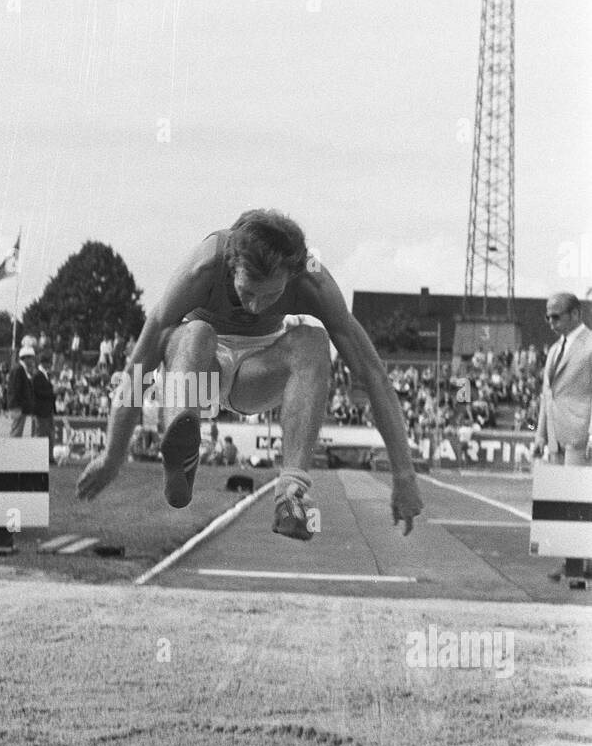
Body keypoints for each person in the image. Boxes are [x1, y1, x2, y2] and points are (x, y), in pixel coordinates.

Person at [77, 209, 423, 539]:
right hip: (201, 370)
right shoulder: (202, 267)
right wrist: (113, 453)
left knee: (313, 340)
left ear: (292, 274)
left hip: (257, 373)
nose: (256, 306)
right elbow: (140, 365)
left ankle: (292, 492)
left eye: (271, 295)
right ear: (231, 267)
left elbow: (372, 374)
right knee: (196, 333)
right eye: (247, 293)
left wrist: (404, 473)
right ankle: (182, 441)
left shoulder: (313, 280)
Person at [533, 292, 592, 582]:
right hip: (556, 434)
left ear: (575, 314)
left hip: (581, 433)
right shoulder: (555, 349)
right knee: (561, 500)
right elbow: (548, 395)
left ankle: (577, 565)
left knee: (578, 500)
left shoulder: (590, 345)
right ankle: (573, 561)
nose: (550, 321)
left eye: (556, 316)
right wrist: (540, 434)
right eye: (547, 316)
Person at [7, 345, 36, 437]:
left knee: (18, 430)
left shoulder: (22, 369)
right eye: (31, 358)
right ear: (26, 358)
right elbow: (16, 389)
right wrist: (21, 405)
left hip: (19, 405)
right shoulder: (19, 369)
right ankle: (12, 450)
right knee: (16, 431)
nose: (32, 361)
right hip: (18, 406)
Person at [33, 352, 56, 463]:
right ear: (44, 363)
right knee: (41, 434)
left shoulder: (46, 375)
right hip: (41, 410)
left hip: (48, 410)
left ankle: (50, 457)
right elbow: (37, 392)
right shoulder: (37, 375)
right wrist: (51, 393)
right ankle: (40, 457)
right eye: (49, 363)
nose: (50, 365)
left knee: (50, 434)